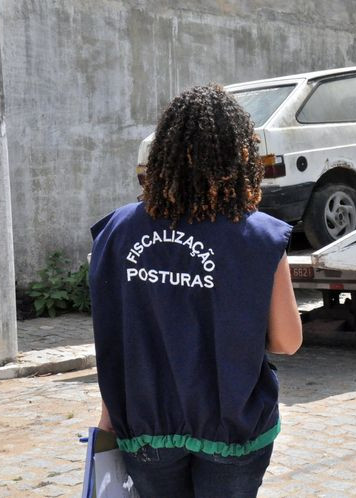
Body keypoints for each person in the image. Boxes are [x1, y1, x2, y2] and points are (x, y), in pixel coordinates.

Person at [89, 84, 303, 498]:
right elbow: (287, 341)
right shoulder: (259, 236)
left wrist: (108, 414)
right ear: (239, 156)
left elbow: (114, 334)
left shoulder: (115, 231)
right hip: (233, 428)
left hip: (145, 426)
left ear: (163, 151)